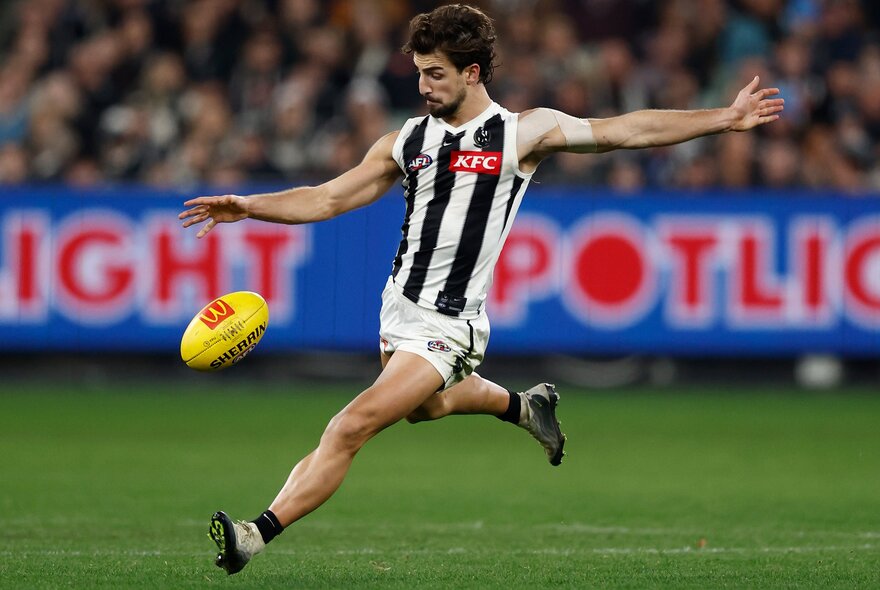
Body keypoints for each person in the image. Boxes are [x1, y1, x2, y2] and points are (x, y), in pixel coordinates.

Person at [179, 4, 784, 576]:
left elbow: (625, 131)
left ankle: (254, 534)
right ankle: (524, 406)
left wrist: (723, 118)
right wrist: (247, 206)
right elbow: (330, 196)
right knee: (427, 407)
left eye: (435, 74)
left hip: (450, 326)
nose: (423, 86)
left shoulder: (521, 133)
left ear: (472, 73)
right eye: (419, 73)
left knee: (349, 426)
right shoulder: (405, 142)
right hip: (399, 309)